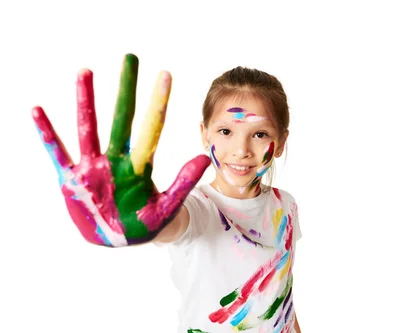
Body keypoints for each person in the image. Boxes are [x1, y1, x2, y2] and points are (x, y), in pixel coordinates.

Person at [31, 53, 302, 333]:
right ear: (204, 134)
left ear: (281, 142)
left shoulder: (286, 207)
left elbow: (283, 299)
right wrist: (132, 219)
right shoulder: (198, 209)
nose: (241, 149)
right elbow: (172, 225)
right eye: (225, 131)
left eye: (260, 134)